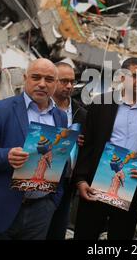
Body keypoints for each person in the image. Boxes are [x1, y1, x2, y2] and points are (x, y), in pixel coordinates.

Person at [0, 58, 68, 240]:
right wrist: (6, 156)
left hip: (39, 211)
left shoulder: (60, 117)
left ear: (55, 83)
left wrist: (52, 202)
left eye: (49, 79)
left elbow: (59, 160)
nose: (42, 84)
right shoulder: (1, 109)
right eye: (36, 77)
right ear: (25, 78)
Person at [72, 57, 137, 240]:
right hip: (95, 184)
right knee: (86, 233)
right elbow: (88, 144)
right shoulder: (101, 104)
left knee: (121, 236)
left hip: (129, 185)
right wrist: (81, 180)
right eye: (135, 76)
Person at [47, 61, 87, 240]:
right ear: (52, 80)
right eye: (64, 81)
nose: (69, 86)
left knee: (57, 229)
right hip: (41, 177)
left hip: (67, 182)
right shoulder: (40, 107)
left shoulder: (82, 113)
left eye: (72, 81)